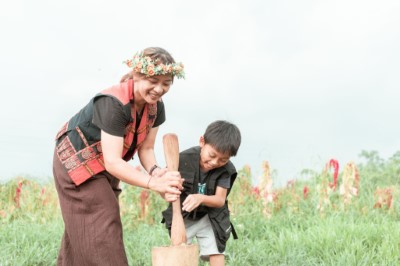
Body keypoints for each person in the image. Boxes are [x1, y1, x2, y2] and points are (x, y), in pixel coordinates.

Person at [53, 47, 185, 265]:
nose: (159, 89)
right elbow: (114, 162)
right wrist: (154, 184)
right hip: (77, 162)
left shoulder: (156, 107)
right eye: (153, 80)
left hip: (104, 164)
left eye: (166, 83)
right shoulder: (113, 103)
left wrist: (158, 172)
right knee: (102, 219)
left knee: (84, 228)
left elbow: (146, 149)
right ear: (136, 75)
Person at [162, 120, 241, 266]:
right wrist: (167, 191)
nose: (215, 162)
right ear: (202, 142)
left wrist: (200, 198)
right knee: (180, 254)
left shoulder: (226, 170)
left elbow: (219, 200)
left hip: (210, 218)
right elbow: (163, 188)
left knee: (216, 251)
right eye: (212, 155)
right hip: (183, 216)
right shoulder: (182, 159)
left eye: (223, 159)